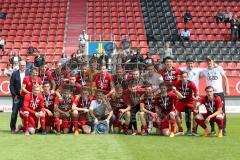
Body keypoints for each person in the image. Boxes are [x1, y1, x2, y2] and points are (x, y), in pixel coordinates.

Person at [200, 57, 229, 136]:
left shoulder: (219, 68)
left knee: (222, 111)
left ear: (213, 61)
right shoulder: (204, 71)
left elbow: (225, 78)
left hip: (219, 92)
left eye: (210, 60)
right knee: (210, 110)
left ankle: (223, 129)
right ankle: (212, 129)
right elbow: (197, 76)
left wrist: (227, 89)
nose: (209, 62)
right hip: (210, 93)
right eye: (207, 61)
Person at [174, 71, 198, 136]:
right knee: (176, 114)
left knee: (188, 115)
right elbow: (174, 91)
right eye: (182, 77)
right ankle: (180, 129)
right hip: (180, 101)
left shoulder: (191, 84)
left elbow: (196, 92)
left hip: (188, 102)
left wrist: (196, 98)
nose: (183, 78)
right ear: (180, 77)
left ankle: (189, 130)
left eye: (185, 77)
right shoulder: (177, 83)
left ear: (187, 77)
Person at [9, 61, 30, 133]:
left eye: (24, 65)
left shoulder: (28, 74)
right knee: (14, 113)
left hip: (25, 97)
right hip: (17, 97)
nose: (22, 66)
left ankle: (26, 127)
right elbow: (11, 85)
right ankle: (12, 128)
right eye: (21, 65)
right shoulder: (14, 74)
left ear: (25, 66)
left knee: (25, 113)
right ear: (19, 65)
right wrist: (14, 95)